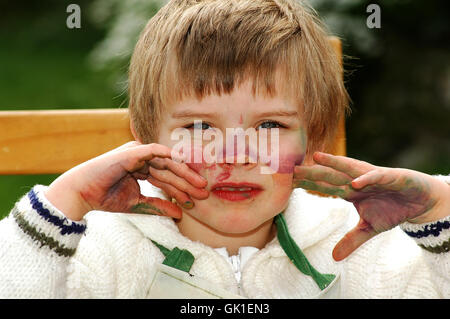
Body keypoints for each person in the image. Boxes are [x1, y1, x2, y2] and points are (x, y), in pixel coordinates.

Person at [0, 0, 449, 299]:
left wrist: (439, 210)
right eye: (200, 126)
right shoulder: (94, 253)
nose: (235, 154)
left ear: (313, 139)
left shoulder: (362, 252)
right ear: (143, 141)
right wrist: (62, 204)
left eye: (270, 125)